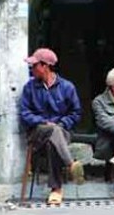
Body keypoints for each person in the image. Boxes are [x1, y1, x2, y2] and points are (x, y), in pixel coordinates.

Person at [20, 48, 84, 205]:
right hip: (38, 131)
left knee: (53, 141)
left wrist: (62, 124)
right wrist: (42, 121)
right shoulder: (29, 88)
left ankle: (56, 189)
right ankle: (70, 165)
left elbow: (75, 113)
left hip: (61, 131)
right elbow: (25, 113)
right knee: (52, 130)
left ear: (45, 66)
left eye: (35, 65)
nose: (32, 69)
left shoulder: (67, 87)